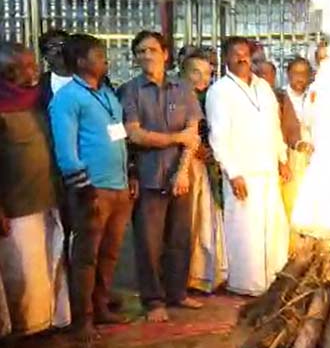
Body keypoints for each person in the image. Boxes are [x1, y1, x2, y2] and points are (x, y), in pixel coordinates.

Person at [49, 34, 134, 341]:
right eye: (100, 55)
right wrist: (84, 190)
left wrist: (130, 176)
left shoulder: (107, 94)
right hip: (92, 189)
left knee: (109, 253)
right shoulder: (68, 98)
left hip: (119, 186)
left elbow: (119, 136)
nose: (106, 60)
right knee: (86, 257)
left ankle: (100, 307)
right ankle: (81, 321)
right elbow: (65, 150)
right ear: (82, 61)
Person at [119, 31, 204, 323]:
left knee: (180, 237)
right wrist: (174, 138)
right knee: (148, 243)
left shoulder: (183, 89)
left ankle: (177, 293)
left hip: (181, 176)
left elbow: (193, 136)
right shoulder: (130, 90)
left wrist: (182, 172)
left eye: (152, 50)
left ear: (165, 54)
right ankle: (154, 301)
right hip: (148, 177)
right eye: (140, 51)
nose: (146, 56)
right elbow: (134, 134)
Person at [206, 36, 291, 296]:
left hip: (267, 169)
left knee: (273, 228)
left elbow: (275, 126)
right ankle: (247, 284)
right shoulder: (219, 91)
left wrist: (282, 159)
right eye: (236, 54)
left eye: (246, 54)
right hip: (243, 173)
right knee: (246, 231)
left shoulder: (263, 87)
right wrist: (233, 173)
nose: (242, 58)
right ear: (226, 59)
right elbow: (218, 136)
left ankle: (275, 281)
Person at [0, 42, 70, 337]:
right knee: (24, 273)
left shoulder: (41, 99)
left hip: (51, 198)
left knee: (52, 263)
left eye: (34, 63)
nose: (35, 71)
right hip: (17, 207)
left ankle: (54, 320)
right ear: (7, 72)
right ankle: (28, 328)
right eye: (26, 66)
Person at [180, 51, 228, 294]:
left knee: (206, 220)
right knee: (188, 223)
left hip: (206, 167)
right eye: (196, 72)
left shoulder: (211, 97)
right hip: (184, 165)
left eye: (207, 73)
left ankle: (204, 275)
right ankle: (185, 277)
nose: (203, 78)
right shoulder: (177, 95)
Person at [279, 57, 314, 220]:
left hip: (312, 157)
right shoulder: (279, 98)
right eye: (296, 73)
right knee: (291, 204)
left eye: (304, 74)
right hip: (289, 157)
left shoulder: (314, 96)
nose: (300, 78)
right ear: (288, 74)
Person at [38, 29, 72, 109]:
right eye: (52, 47)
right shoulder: (40, 84)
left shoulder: (89, 79)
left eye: (63, 45)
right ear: (44, 55)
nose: (59, 50)